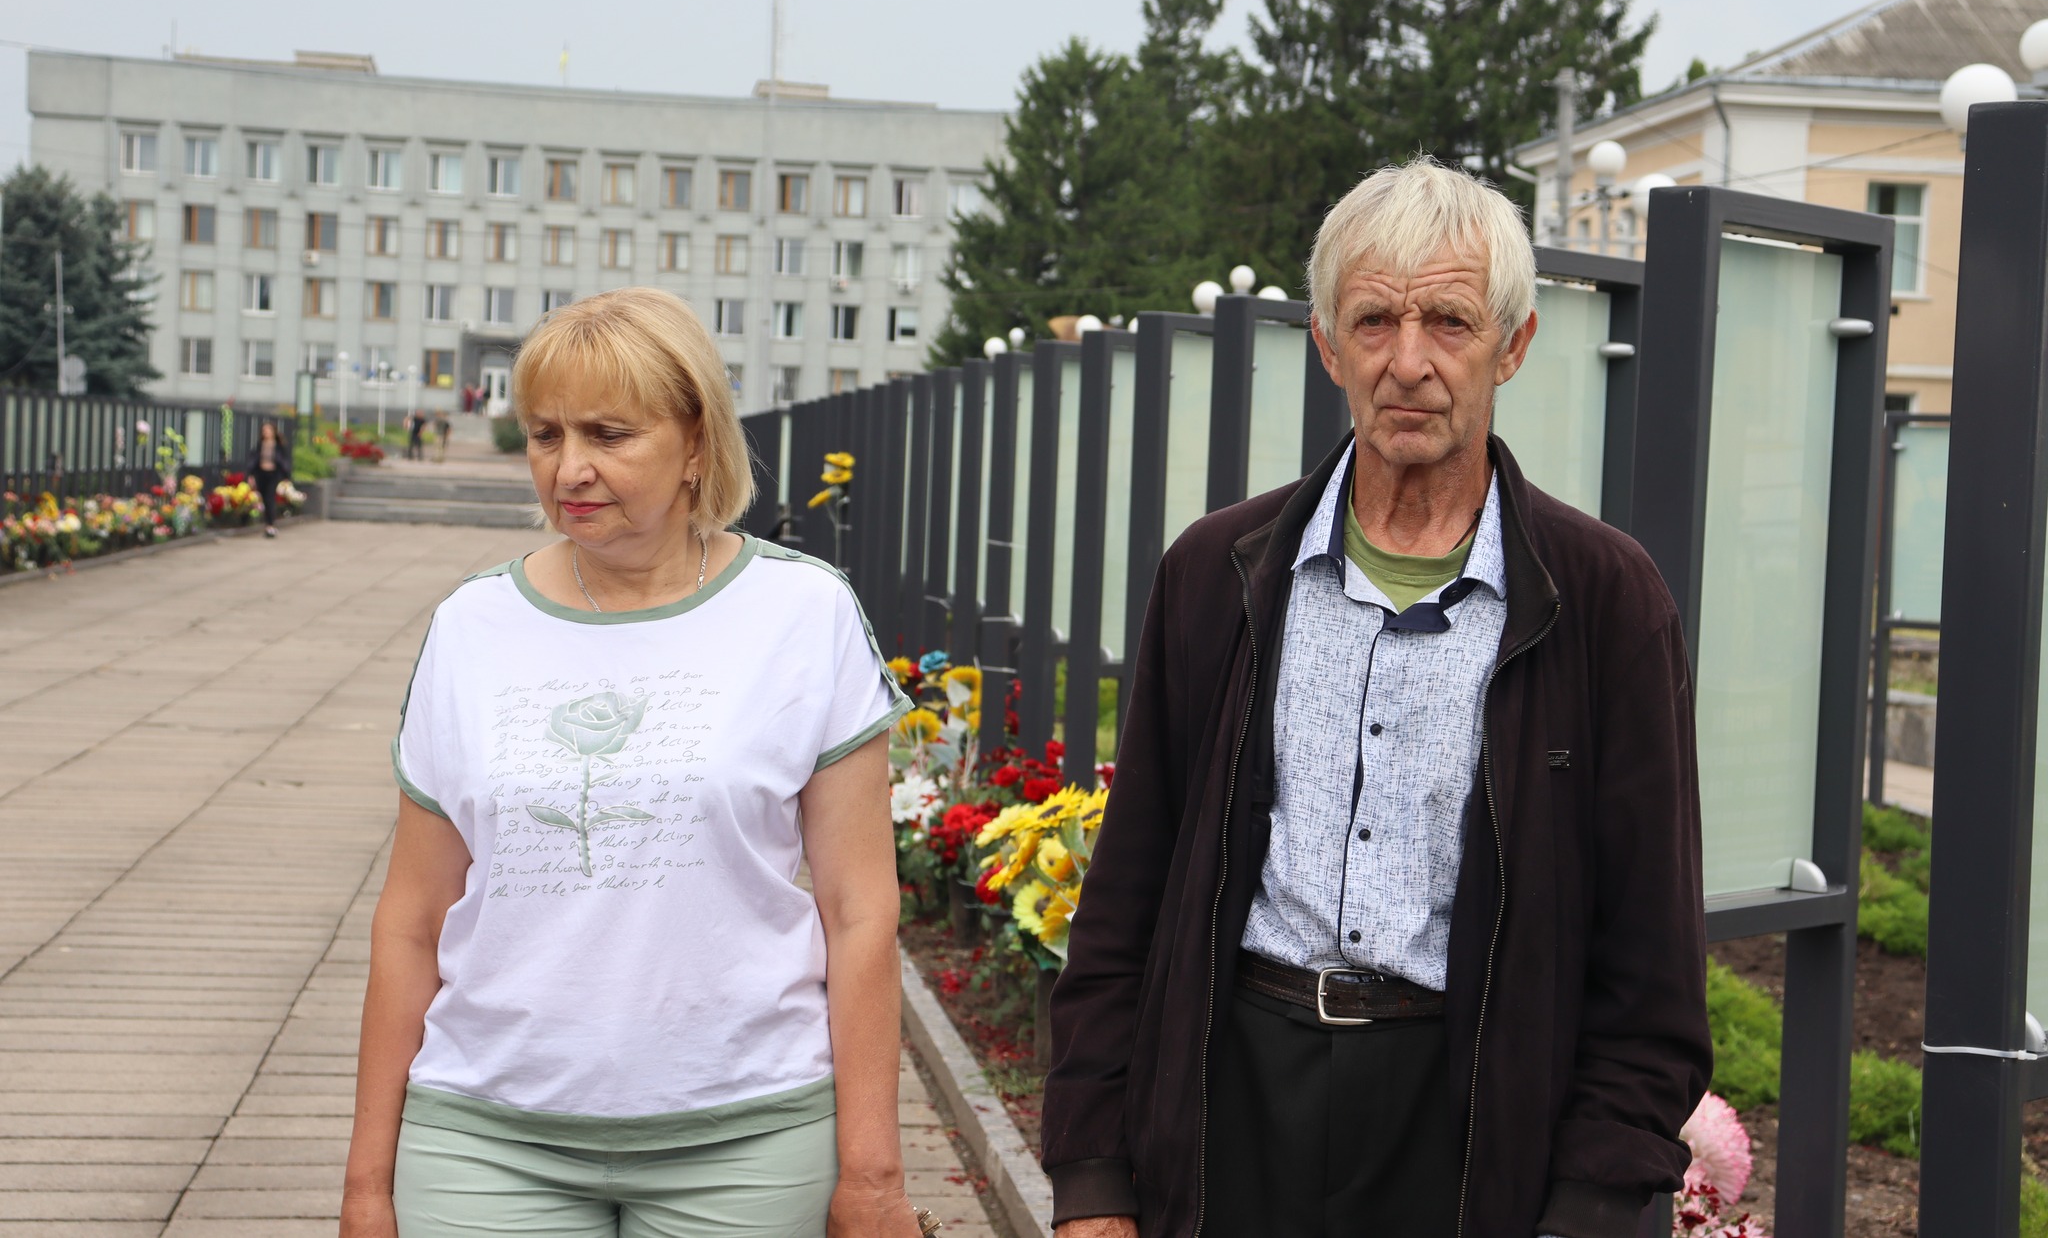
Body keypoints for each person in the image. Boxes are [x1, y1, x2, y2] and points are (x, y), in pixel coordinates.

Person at [1041, 160, 1709, 1238]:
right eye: (1373, 321)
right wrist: (1091, 1180)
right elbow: (1127, 900)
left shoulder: (1603, 600)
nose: (1408, 362)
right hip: (1231, 1108)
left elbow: (1649, 969)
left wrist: (1586, 1209)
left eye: (1448, 321)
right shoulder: (1218, 572)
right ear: (1326, 344)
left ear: (1512, 345)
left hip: (1468, 1133)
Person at [342, 287, 927, 1238]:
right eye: (546, 434)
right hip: (485, 1137)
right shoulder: (471, 625)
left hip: (747, 1137)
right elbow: (410, 921)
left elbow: (860, 910)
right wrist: (366, 1186)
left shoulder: (803, 613)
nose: (569, 467)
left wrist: (873, 1176)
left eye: (609, 434)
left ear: (696, 441)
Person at [247, 419, 291, 538]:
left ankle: (270, 525)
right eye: (264, 430)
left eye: (268, 430)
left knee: (270, 498)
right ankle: (266, 522)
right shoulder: (259, 445)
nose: (266, 432)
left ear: (273, 431)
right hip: (261, 474)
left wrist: (286, 476)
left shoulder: (278, 446)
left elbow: (284, 461)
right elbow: (253, 460)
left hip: (273, 474)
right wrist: (251, 475)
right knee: (263, 499)